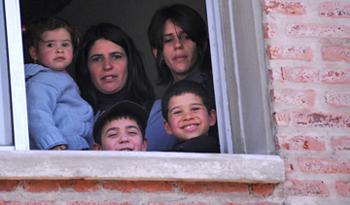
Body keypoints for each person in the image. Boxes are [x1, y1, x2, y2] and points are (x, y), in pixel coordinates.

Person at [146, 3, 217, 151]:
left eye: (186, 37)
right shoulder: (163, 105)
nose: (178, 45)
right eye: (168, 40)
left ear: (202, 46)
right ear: (157, 53)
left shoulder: (219, 93)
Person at [24, 16, 94, 150]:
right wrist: (52, 142)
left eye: (65, 44)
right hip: (61, 148)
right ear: (34, 53)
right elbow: (37, 113)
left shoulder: (61, 78)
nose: (59, 49)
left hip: (77, 148)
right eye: (50, 45)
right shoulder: (41, 81)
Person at [75, 23, 155, 118]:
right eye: (97, 59)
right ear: (86, 67)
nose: (107, 66)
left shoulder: (158, 113)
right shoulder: (74, 117)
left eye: (116, 57)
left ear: (130, 63)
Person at [162, 80, 219, 153]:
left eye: (195, 109)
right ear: (168, 127)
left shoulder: (226, 151)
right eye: (177, 112)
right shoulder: (167, 160)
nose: (188, 117)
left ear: (211, 117)